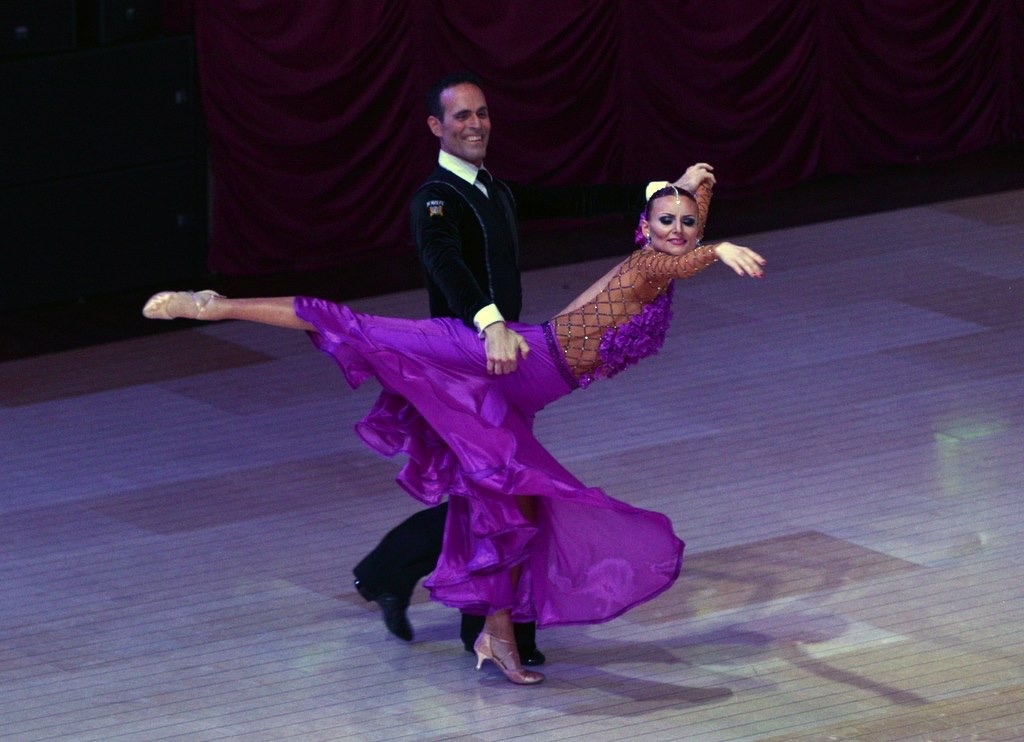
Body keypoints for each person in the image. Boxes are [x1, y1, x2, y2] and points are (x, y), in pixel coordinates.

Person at [142, 168, 764, 685]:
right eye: (666, 221)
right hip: (512, 360)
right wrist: (719, 249)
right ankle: (216, 304)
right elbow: (681, 264)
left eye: (687, 224)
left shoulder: (665, 251)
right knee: (360, 328)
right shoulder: (652, 267)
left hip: (524, 390)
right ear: (645, 227)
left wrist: (690, 184)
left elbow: (686, 221)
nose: (677, 232)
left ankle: (496, 640)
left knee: (508, 510)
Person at [349, 72, 543, 663]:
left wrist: (660, 189)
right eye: (461, 116)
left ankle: (393, 574)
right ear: (436, 126)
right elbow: (444, 263)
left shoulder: (493, 188)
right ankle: (483, 626)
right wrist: (489, 322)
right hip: (464, 362)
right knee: (501, 493)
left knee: (493, 494)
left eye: (482, 113)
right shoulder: (434, 197)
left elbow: (573, 197)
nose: (476, 124)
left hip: (499, 361)